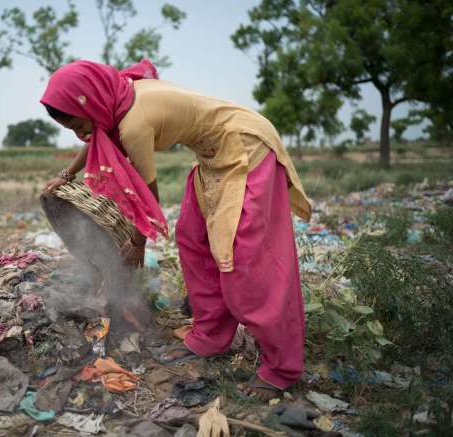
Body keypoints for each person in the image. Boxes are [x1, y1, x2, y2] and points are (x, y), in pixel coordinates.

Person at [41, 59, 312, 401]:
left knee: (243, 258)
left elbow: (145, 196)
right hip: (213, 155)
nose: (81, 135)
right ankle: (211, 337)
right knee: (192, 238)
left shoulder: (133, 123)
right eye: (72, 131)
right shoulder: (117, 97)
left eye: (80, 125)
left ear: (90, 103)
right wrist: (66, 176)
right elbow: (96, 135)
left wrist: (137, 244)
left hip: (247, 147)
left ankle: (281, 368)